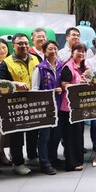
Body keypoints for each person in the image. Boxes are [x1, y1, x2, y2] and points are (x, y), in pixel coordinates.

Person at [0, 33, 40, 175]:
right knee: (17, 134)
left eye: (26, 43)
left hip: (34, 102)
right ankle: (18, 162)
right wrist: (15, 84)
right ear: (13, 46)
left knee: (34, 131)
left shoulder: (36, 59)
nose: (24, 46)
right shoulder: (6, 63)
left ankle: (32, 157)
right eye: (20, 43)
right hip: (16, 104)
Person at [32, 40, 63, 175]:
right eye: (50, 49)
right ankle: (44, 163)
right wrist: (52, 92)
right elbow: (34, 91)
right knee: (44, 136)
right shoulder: (39, 68)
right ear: (44, 52)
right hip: (45, 109)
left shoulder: (62, 66)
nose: (53, 51)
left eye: (55, 49)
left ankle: (53, 158)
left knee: (56, 136)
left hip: (59, 107)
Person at [60, 43, 90, 171]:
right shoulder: (68, 67)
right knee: (70, 136)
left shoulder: (85, 67)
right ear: (73, 52)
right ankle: (70, 163)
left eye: (83, 51)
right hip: (68, 107)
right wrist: (78, 83)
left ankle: (78, 160)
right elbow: (64, 85)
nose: (81, 54)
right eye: (78, 51)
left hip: (80, 106)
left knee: (78, 134)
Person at [25, 28, 48, 167]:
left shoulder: (49, 52)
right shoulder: (29, 54)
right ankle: (32, 155)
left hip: (48, 95)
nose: (42, 39)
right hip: (32, 94)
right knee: (32, 128)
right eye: (38, 36)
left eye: (43, 36)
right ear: (32, 39)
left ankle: (45, 154)